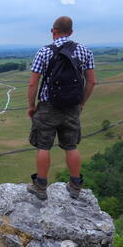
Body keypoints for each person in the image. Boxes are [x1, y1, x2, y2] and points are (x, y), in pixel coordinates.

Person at [27, 16, 96, 200]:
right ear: (71, 32)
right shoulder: (84, 51)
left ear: (53, 31)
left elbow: (33, 84)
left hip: (48, 106)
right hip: (72, 107)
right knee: (71, 146)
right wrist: (81, 103)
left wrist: (31, 106)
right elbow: (91, 82)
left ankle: (40, 187)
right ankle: (75, 186)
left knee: (44, 146)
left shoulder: (44, 52)